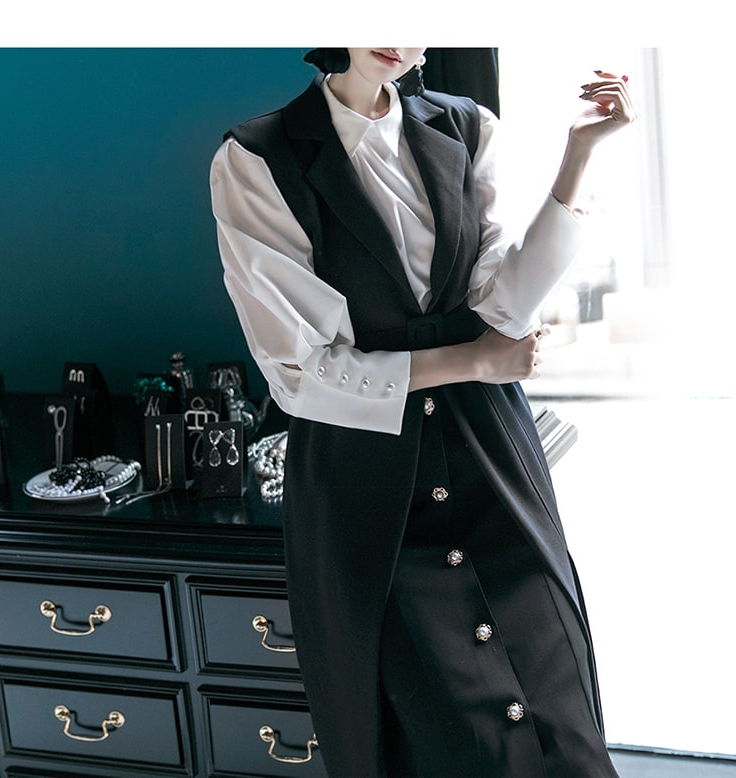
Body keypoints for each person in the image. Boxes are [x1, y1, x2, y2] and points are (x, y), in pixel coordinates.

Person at [210, 47, 635, 777]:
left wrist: (579, 156)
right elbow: (300, 374)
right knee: (436, 739)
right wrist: (474, 362)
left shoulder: (468, 129)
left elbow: (504, 308)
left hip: (487, 457)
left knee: (560, 714)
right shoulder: (255, 158)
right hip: (366, 487)